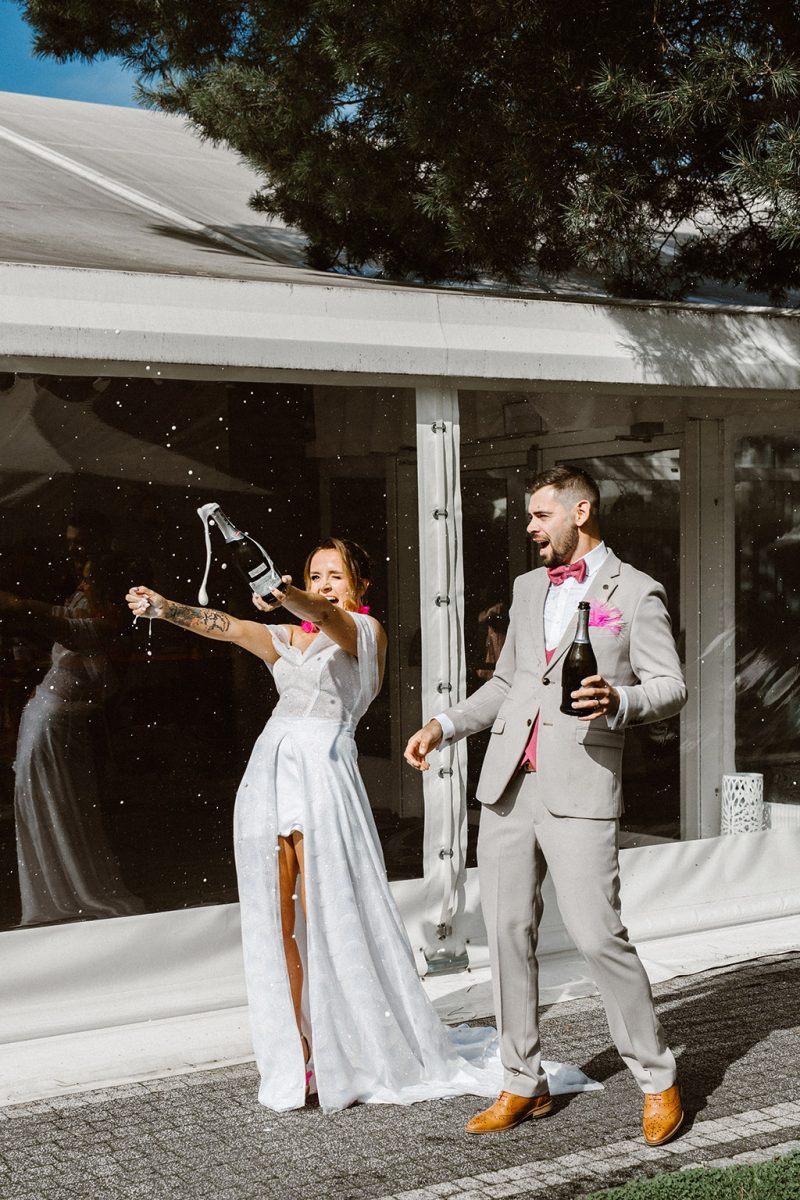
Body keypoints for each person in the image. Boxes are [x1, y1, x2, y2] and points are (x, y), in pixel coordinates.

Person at [127, 537, 599, 1114]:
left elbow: (328, 618)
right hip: (269, 775)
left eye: (336, 576)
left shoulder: (364, 633)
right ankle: (300, 1051)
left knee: (328, 915)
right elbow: (228, 627)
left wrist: (289, 593)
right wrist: (166, 608)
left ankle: (345, 1050)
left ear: (360, 586)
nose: (324, 586)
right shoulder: (285, 638)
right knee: (276, 923)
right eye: (315, 576)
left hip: (324, 777)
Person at [405, 466, 688, 1145]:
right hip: (509, 787)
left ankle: (658, 1079)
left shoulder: (637, 590)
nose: (530, 527)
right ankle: (520, 1080)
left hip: (582, 783)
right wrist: (446, 724)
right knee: (506, 935)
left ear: (579, 512)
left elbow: (671, 686)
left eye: (540, 515)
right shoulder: (528, 588)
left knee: (597, 935)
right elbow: (509, 682)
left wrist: (620, 700)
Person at [2, 514, 144, 924]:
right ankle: (57, 892)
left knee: (63, 804)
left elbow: (84, 633)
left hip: (57, 717)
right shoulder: (86, 597)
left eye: (80, 545)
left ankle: (70, 889)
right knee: (52, 802)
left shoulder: (103, 603)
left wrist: (22, 605)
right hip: (49, 713)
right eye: (69, 545)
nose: (73, 554)